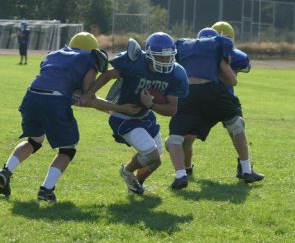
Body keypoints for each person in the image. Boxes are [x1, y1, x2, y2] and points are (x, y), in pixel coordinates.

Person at [0, 32, 139, 202]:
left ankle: (5, 172)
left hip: (31, 96)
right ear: (92, 49)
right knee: (67, 149)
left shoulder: (55, 55)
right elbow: (89, 98)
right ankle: (46, 190)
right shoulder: (89, 59)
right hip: (54, 101)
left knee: (34, 141)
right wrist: (118, 108)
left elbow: (53, 82)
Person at [81, 32, 189, 195]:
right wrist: (90, 93)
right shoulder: (135, 63)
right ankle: (127, 171)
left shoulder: (175, 73)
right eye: (161, 57)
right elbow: (109, 74)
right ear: (150, 55)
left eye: (168, 57)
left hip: (145, 116)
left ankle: (136, 184)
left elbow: (172, 109)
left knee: (155, 161)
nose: (165, 61)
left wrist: (151, 104)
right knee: (151, 154)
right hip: (123, 117)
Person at [166, 26, 263, 190]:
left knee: (175, 138)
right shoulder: (216, 49)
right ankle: (246, 170)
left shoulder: (184, 49)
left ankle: (180, 175)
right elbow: (233, 81)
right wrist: (221, 69)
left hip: (187, 94)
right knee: (236, 124)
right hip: (212, 92)